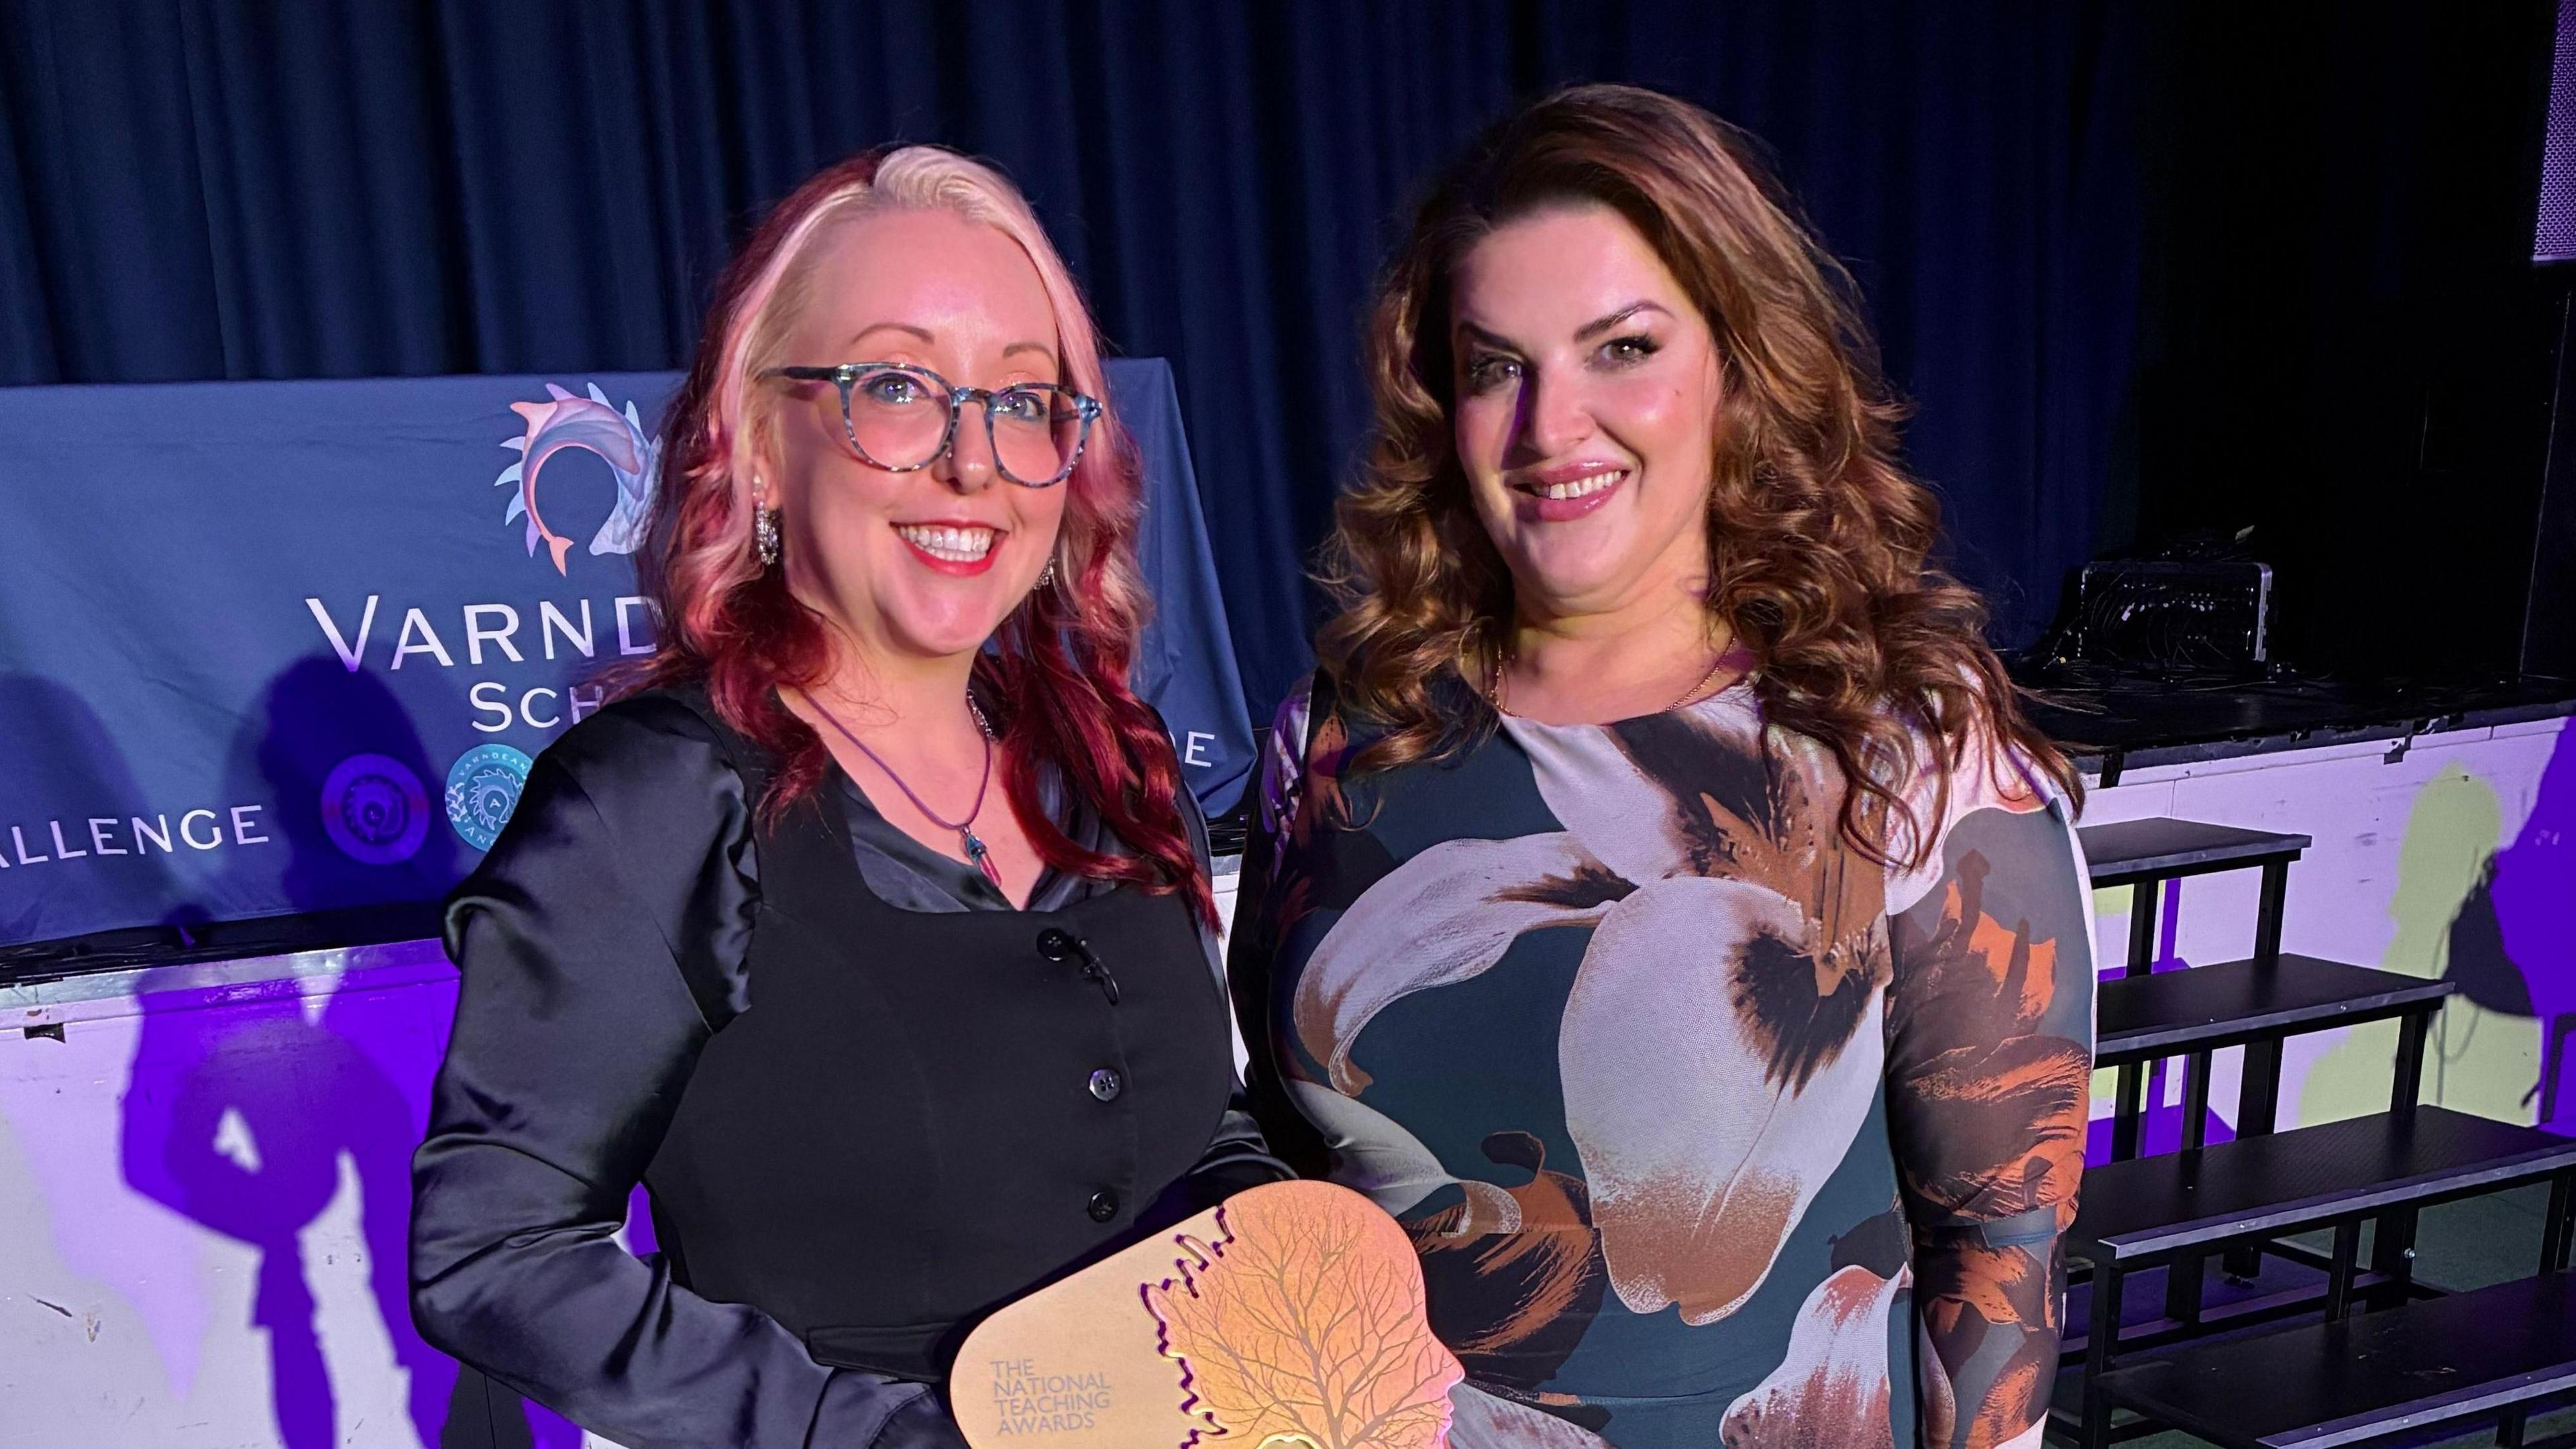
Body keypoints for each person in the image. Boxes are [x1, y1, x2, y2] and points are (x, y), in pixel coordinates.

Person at [1228, 85, 2095, 1449]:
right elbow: (1286, 1154)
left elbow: (2001, 1243)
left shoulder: (1905, 746)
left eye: (1621, 348)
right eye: (1496, 367)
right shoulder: (1340, 737)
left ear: (1738, 371)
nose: (1550, 426)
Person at [411, 146, 1281, 1449]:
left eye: (1023, 399)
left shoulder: (1114, 757)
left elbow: (1196, 1138)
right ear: (760, 444)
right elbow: (495, 1253)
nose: (973, 462)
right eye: (896, 388)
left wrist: (1306, 1284)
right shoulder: (655, 802)